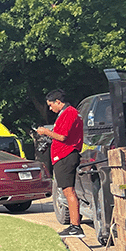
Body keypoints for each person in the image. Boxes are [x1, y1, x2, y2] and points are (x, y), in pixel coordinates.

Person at [36, 89, 84, 238]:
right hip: (62, 156)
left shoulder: (69, 113)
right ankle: (73, 225)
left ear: (58, 102)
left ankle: (76, 226)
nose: (50, 108)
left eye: (51, 105)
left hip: (66, 156)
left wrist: (45, 132)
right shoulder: (64, 114)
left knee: (69, 191)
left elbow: (62, 137)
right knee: (66, 191)